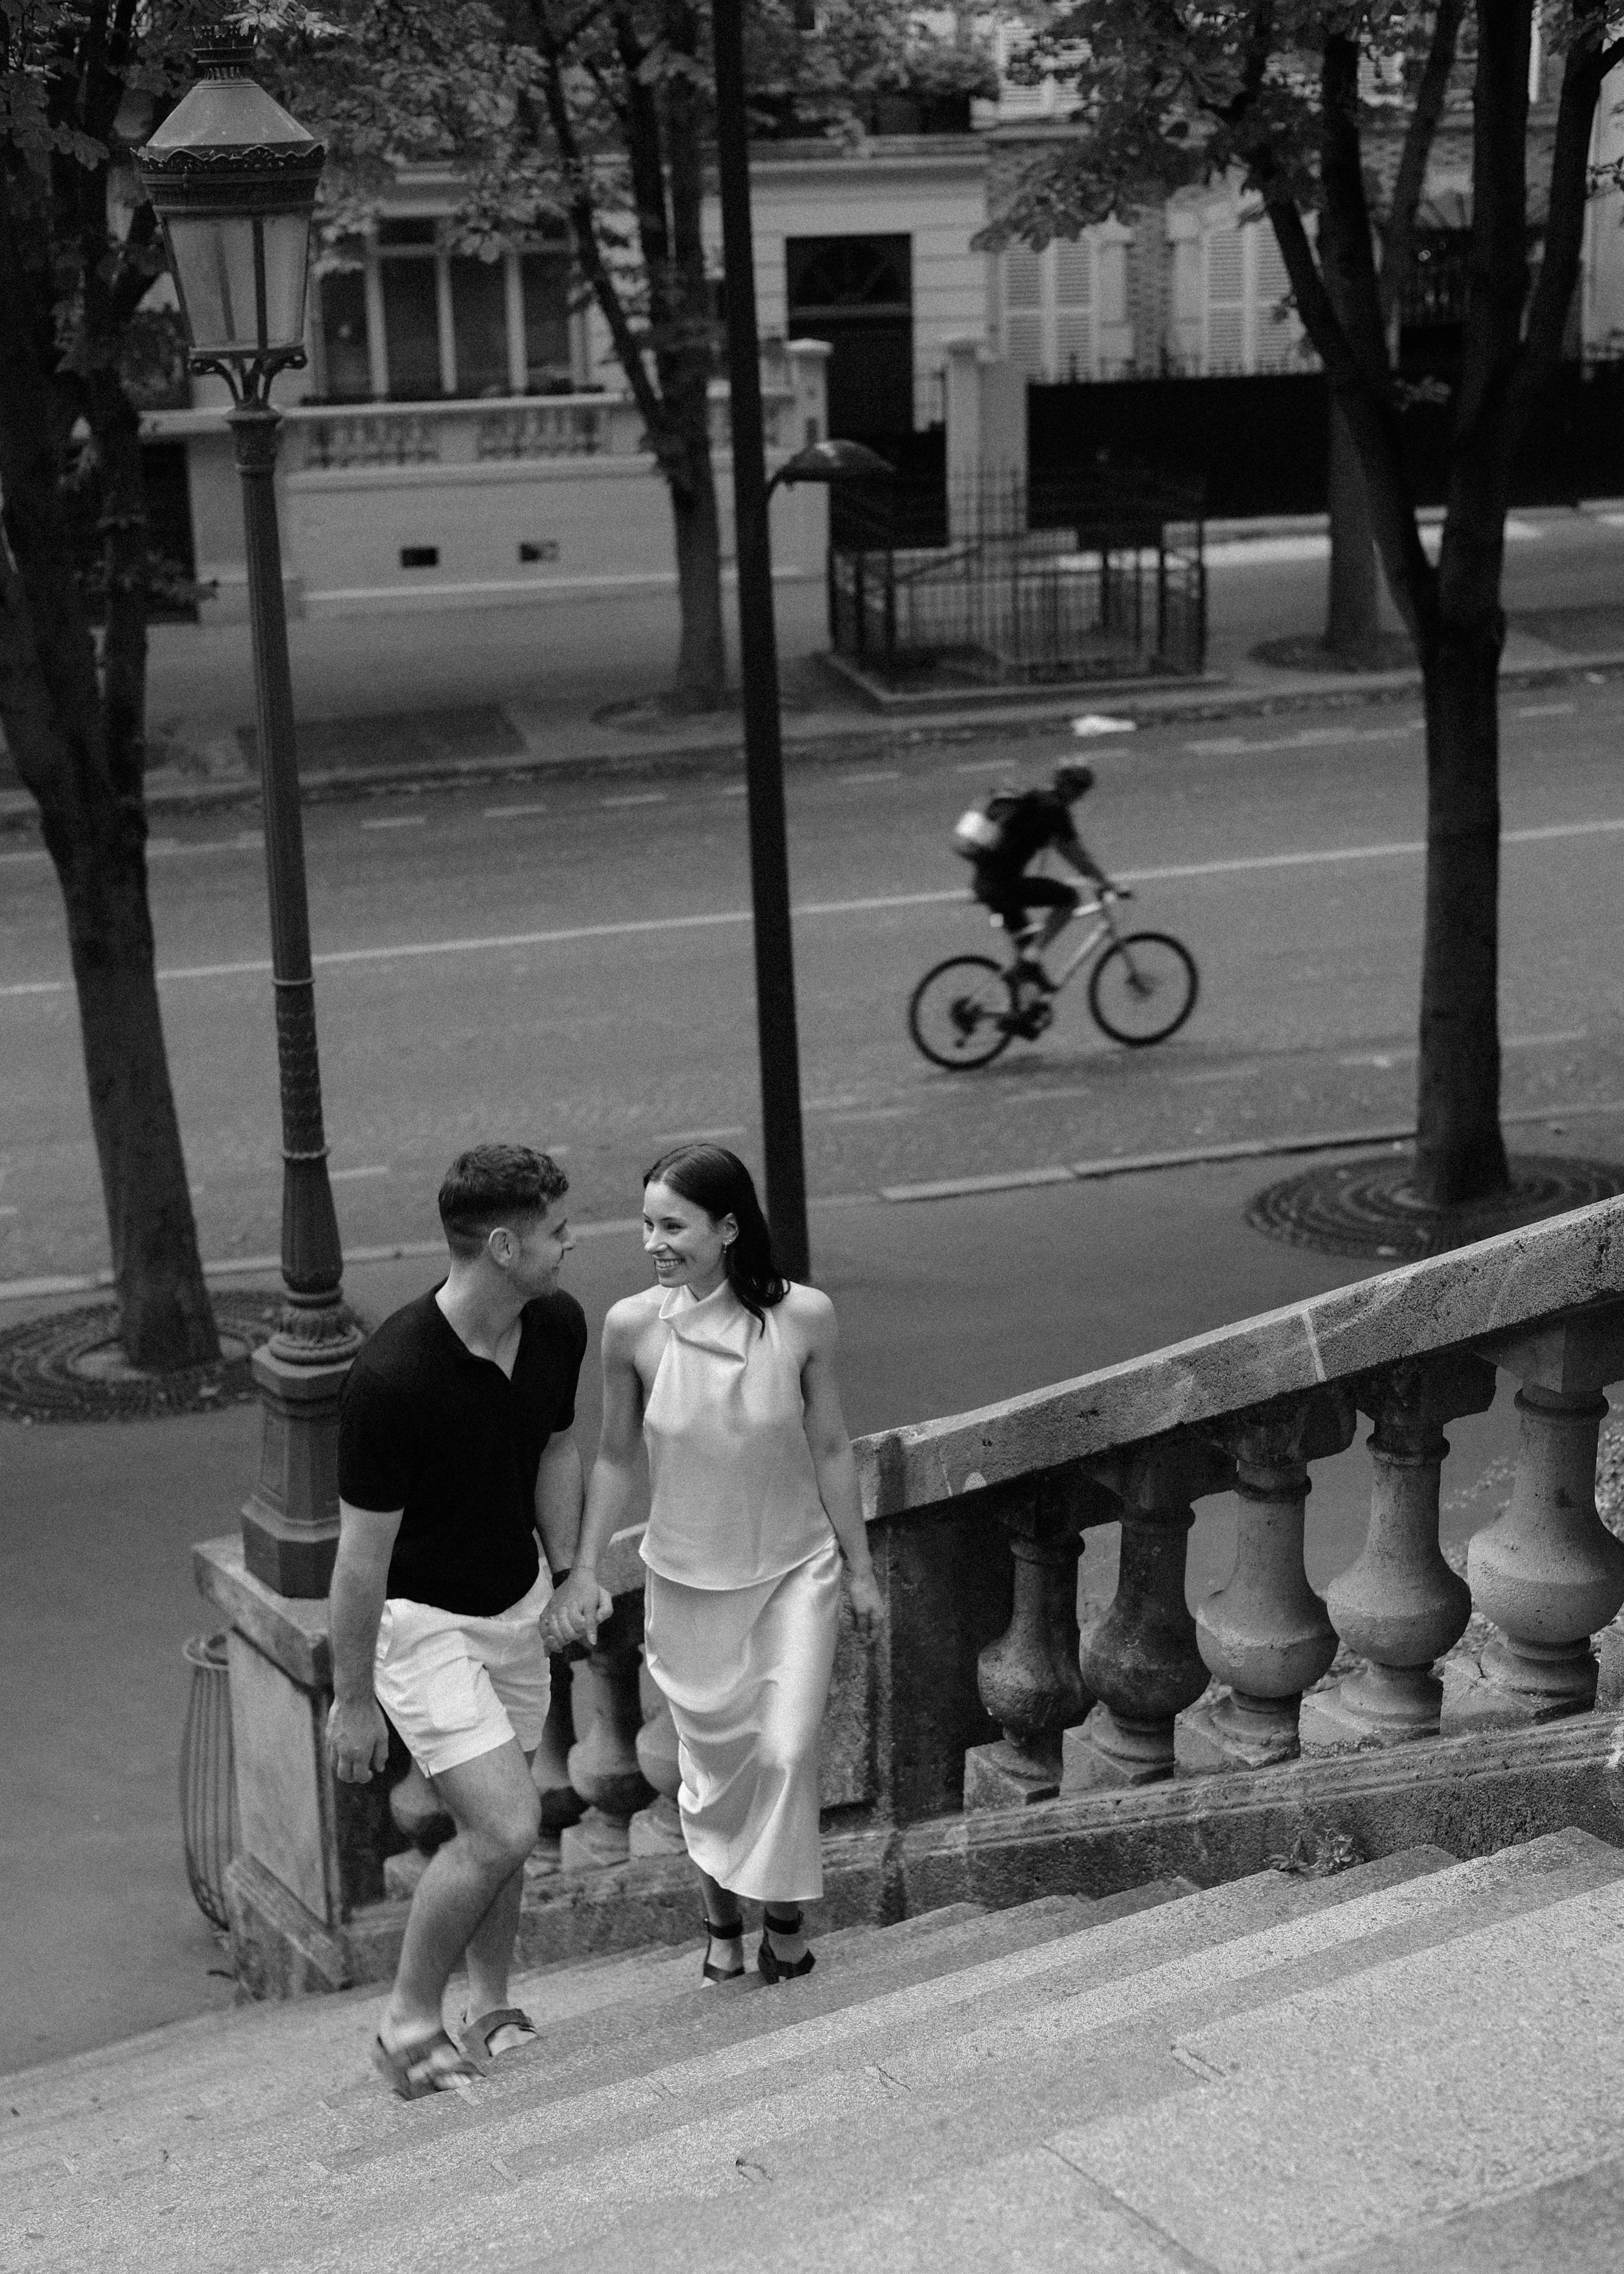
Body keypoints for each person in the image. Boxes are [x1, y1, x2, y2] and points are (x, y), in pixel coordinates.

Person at [543, 1145, 884, 1987]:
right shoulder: (630, 1328)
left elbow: (833, 1445)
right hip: (688, 1584)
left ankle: (787, 1919)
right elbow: (615, 1459)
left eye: (672, 1225)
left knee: (785, 1749)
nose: (653, 1242)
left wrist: (862, 1567)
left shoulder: (804, 1317)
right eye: (646, 1224)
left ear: (728, 1228)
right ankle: (724, 1921)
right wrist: (585, 1569)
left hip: (794, 1575)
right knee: (708, 1770)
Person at [326, 1144, 607, 2098]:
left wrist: (569, 1573)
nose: (572, 1245)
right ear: (502, 1244)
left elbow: (557, 1447)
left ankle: (489, 2003)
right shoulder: (393, 1380)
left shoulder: (556, 1323)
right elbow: (360, 1562)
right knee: (503, 1825)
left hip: (519, 1605)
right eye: (557, 1231)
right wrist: (353, 1698)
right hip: (424, 1626)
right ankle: (407, 2022)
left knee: (505, 1823)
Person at [963, 760, 1118, 997]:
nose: (1080, 796)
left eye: (1083, 790)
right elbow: (1077, 857)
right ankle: (1028, 965)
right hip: (1003, 887)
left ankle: (1022, 1009)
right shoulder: (1054, 809)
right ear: (1065, 784)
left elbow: (1065, 850)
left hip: (987, 887)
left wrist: (1094, 876)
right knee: (1069, 899)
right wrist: (1106, 883)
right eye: (1078, 788)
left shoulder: (1038, 800)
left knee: (1027, 948)